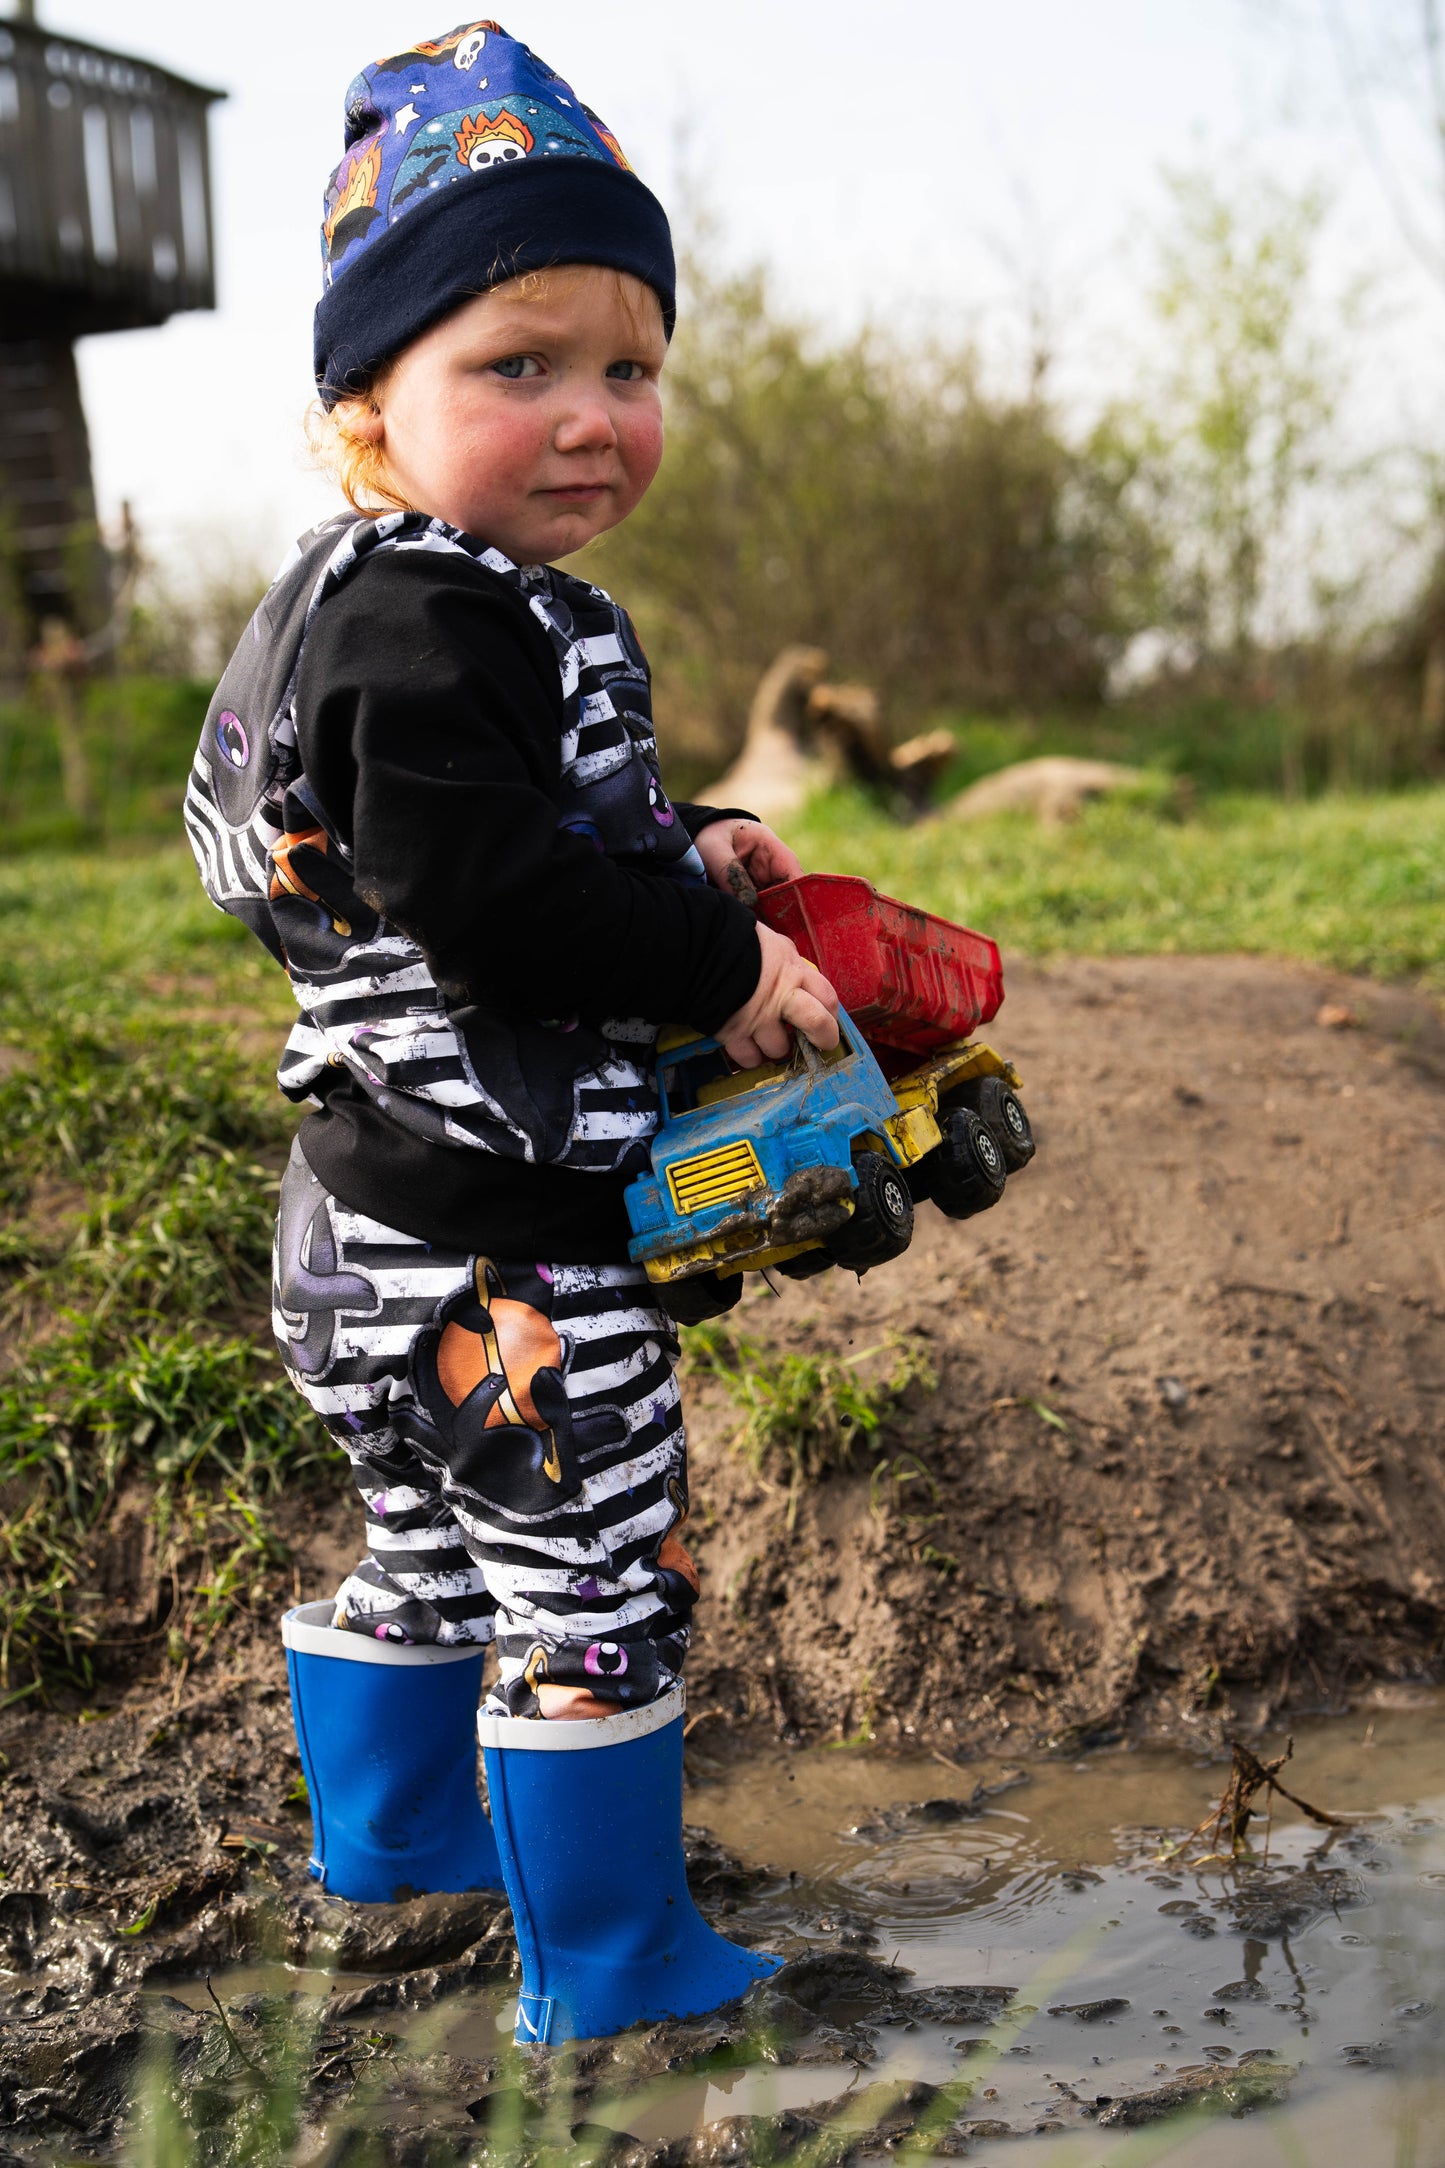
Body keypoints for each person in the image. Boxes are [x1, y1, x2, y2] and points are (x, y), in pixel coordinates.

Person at [184, 19, 839, 2044]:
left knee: (428, 1557)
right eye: (518, 365)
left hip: (353, 1231)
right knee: (590, 1579)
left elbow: (463, 840)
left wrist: (692, 846)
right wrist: (725, 977)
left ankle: (401, 1858)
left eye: (630, 371)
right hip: (501, 1257)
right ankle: (620, 1973)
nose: (591, 420)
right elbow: (490, 899)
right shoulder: (438, 612)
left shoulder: (370, 605)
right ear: (365, 397)